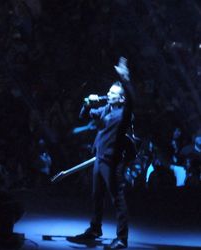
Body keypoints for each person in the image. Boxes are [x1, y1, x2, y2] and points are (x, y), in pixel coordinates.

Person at [75, 58, 135, 249]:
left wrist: (125, 79)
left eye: (112, 93)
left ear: (122, 98)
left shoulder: (125, 114)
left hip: (113, 161)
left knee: (117, 199)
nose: (108, 94)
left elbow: (133, 99)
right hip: (99, 159)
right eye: (108, 92)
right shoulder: (106, 109)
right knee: (96, 195)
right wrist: (86, 102)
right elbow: (83, 116)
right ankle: (95, 229)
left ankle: (122, 239)